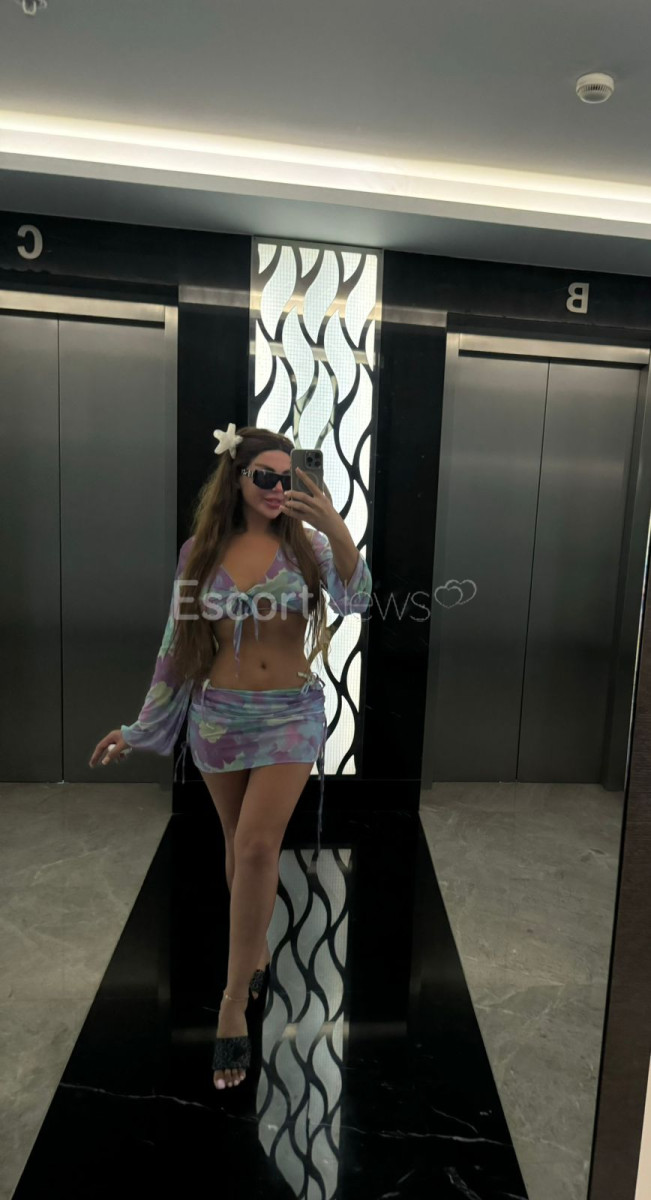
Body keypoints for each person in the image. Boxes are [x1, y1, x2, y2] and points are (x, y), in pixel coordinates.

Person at [89, 424, 372, 1091]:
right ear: (237, 480)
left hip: (291, 716)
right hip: (219, 718)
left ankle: (232, 1002)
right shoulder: (201, 552)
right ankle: (255, 951)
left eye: (287, 478)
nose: (277, 488)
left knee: (255, 846)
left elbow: (358, 600)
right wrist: (140, 727)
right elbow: (177, 646)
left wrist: (334, 525)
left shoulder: (308, 547)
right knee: (237, 842)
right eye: (264, 477)